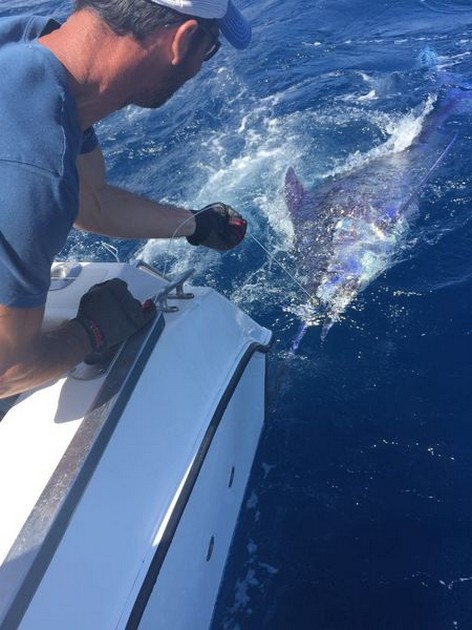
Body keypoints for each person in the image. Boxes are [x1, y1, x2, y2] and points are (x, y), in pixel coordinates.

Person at [0, 0, 250, 399]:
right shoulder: (34, 165)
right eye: (209, 48)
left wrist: (194, 224)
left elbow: (92, 200)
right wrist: (89, 331)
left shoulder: (37, 50)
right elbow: (8, 370)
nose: (203, 63)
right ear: (184, 42)